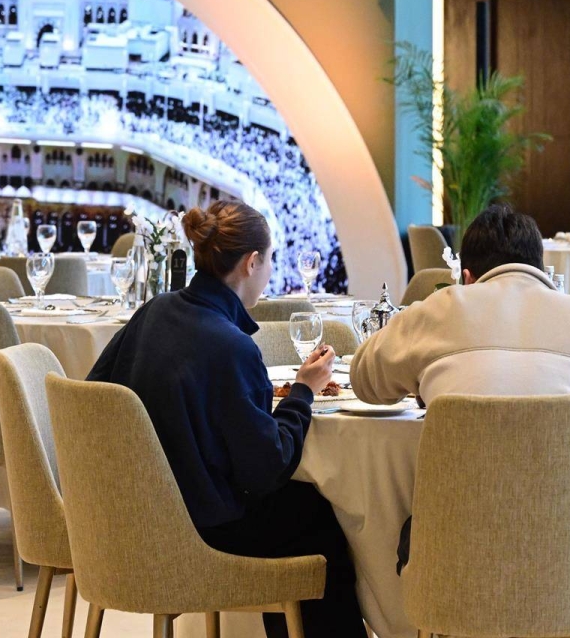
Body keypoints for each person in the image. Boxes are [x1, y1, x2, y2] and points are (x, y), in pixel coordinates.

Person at [86, 200, 367, 638]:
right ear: (251, 263)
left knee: (297, 514)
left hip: (128, 519)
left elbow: (95, 396)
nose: (269, 270)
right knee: (319, 519)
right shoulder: (231, 346)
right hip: (200, 531)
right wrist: (303, 392)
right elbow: (267, 470)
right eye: (270, 260)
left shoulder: (153, 312)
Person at [352, 203, 570, 468]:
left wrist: (418, 376)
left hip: (454, 517)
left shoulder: (436, 311)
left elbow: (364, 381)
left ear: (466, 278)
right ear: (542, 270)